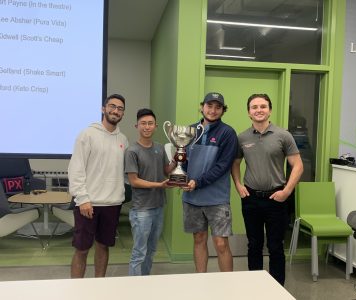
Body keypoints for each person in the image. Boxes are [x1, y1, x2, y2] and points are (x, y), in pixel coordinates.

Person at [231, 93, 303, 285]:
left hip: (276, 199)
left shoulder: (283, 135)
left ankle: (277, 289)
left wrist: (287, 191)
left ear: (269, 110)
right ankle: (256, 288)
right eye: (254, 107)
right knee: (254, 245)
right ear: (249, 112)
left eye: (263, 106)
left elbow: (298, 165)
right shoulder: (242, 137)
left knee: (275, 247)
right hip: (251, 198)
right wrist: (238, 185)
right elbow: (235, 163)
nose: (259, 110)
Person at [68, 93, 129, 278]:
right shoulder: (87, 135)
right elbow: (76, 168)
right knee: (82, 249)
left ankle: (99, 288)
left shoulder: (123, 140)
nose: (115, 111)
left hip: (112, 204)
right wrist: (83, 199)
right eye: (112, 106)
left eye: (120, 108)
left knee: (103, 246)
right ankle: (76, 290)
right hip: (88, 204)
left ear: (123, 114)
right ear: (103, 109)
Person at [182, 92, 238, 272]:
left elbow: (222, 166)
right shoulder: (189, 130)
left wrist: (197, 182)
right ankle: (201, 282)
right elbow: (183, 161)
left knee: (221, 244)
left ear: (223, 110)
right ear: (202, 107)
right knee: (198, 239)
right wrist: (181, 176)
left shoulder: (228, 133)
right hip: (192, 198)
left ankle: (227, 287)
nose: (213, 110)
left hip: (217, 200)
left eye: (218, 107)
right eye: (209, 106)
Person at [125, 108, 176, 276]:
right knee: (139, 252)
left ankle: (144, 283)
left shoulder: (160, 148)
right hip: (141, 210)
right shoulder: (132, 151)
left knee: (152, 250)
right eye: (143, 124)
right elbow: (134, 181)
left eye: (150, 123)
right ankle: (134, 289)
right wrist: (159, 185)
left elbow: (167, 170)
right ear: (137, 126)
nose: (147, 127)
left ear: (156, 126)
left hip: (159, 207)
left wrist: (178, 158)